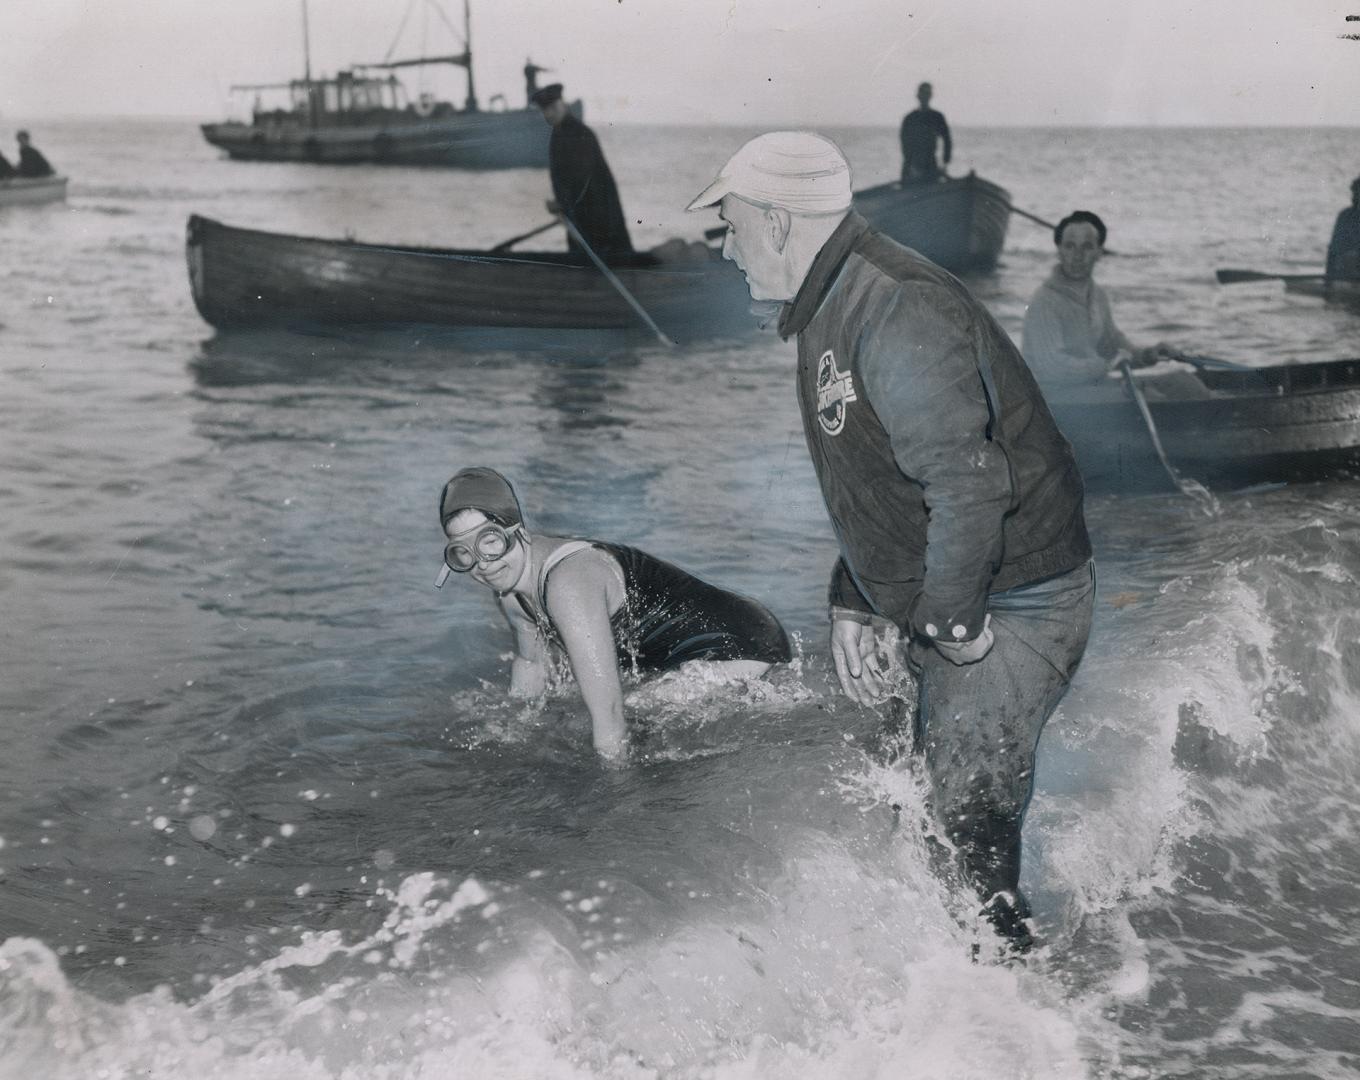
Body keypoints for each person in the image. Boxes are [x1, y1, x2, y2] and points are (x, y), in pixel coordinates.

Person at [689, 131, 1095, 953]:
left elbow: (967, 483)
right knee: (916, 797)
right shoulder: (828, 304)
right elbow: (882, 480)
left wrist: (946, 626)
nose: (724, 250)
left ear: (775, 222)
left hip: (1007, 599)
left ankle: (1027, 1018)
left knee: (964, 832)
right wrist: (856, 597)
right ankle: (966, 983)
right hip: (957, 588)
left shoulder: (895, 301)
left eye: (729, 227)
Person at [436, 467, 791, 761]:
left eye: (491, 541)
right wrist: (511, 730)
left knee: (631, 712)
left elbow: (610, 714)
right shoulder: (512, 593)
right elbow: (532, 664)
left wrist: (614, 797)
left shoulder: (568, 583)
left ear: (517, 529)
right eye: (463, 554)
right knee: (580, 715)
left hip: (745, 645)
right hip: (714, 645)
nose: (484, 564)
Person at [1021, 211, 1177, 395]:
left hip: (1088, 389)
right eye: (1070, 246)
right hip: (1051, 399)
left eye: (1087, 247)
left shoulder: (1097, 295)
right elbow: (1052, 367)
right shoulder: (1044, 302)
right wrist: (1106, 366)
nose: (1077, 256)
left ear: (1099, 253)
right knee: (1150, 394)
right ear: (1059, 250)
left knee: (1182, 382)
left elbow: (1112, 346)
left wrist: (1147, 355)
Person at [530, 83, 635, 261]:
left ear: (563, 104)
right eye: (545, 110)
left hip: (598, 218)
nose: (548, 114)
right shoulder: (558, 134)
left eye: (553, 108)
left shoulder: (580, 133)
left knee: (602, 260)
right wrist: (561, 204)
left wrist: (561, 204)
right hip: (579, 218)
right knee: (584, 262)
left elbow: (584, 180)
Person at [899, 82, 951, 183]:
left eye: (927, 94)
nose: (925, 97)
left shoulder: (937, 117)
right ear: (918, 96)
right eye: (923, 93)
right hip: (911, 164)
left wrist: (945, 162)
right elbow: (904, 143)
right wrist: (911, 164)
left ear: (930, 96)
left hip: (930, 163)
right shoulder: (910, 119)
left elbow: (947, 140)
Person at [1325, 177, 1360, 282]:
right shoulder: (1345, 216)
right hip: (1348, 271)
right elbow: (1333, 250)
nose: (1354, 196)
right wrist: (1328, 278)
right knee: (1350, 257)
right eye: (1355, 193)